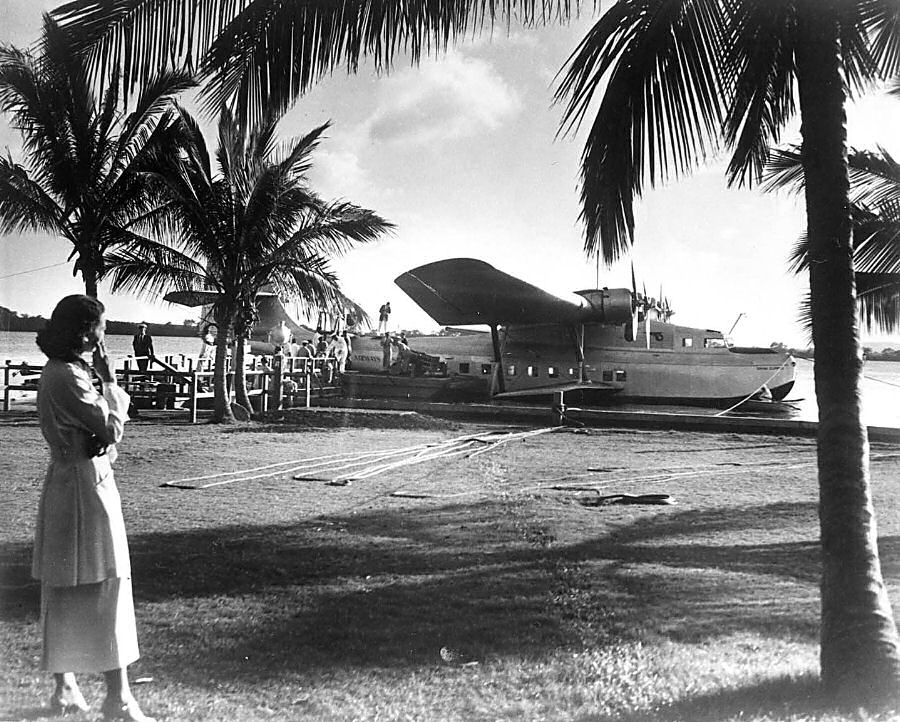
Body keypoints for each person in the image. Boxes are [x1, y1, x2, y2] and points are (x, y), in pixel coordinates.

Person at [33, 295, 155, 722]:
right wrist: (110, 380)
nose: (105, 335)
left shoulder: (62, 373)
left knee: (67, 584)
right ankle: (116, 699)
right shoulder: (68, 376)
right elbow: (110, 427)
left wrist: (101, 436)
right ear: (87, 332)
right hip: (84, 488)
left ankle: (66, 688)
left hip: (76, 482)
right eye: (102, 326)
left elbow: (102, 440)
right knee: (106, 582)